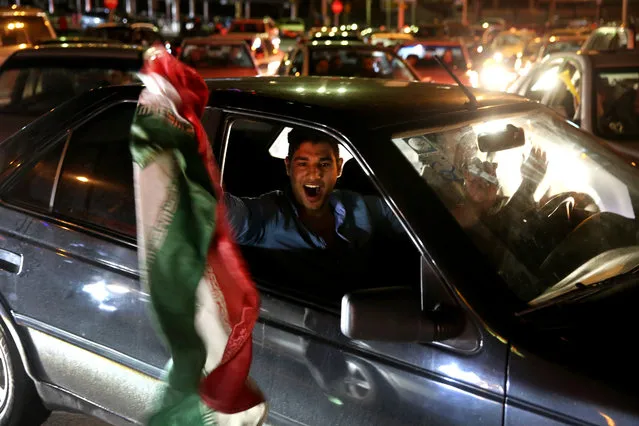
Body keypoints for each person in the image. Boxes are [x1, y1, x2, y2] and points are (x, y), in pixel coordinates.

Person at [224, 128, 407, 297]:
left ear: (339, 168)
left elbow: (412, 218)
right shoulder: (270, 215)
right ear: (288, 167)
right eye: (303, 164)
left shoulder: (358, 205)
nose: (314, 174)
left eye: (325, 164)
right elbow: (226, 215)